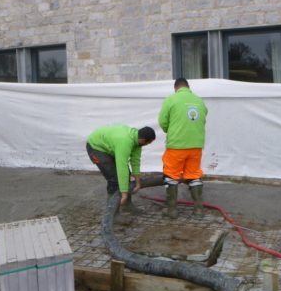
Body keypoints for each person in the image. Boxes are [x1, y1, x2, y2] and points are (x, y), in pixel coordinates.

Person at [158, 78, 208, 218]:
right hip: (196, 145)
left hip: (177, 145)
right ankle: (198, 210)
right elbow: (203, 119)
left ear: (176, 88)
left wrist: (171, 130)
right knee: (194, 175)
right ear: (188, 87)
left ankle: (172, 210)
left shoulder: (171, 99)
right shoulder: (199, 101)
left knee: (171, 176)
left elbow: (162, 121)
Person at [86, 125, 156, 212]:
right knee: (114, 179)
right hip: (95, 147)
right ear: (143, 140)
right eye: (148, 143)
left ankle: (127, 205)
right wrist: (124, 194)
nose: (147, 145)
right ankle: (112, 213)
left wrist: (138, 183)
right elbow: (121, 167)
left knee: (127, 176)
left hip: (110, 145)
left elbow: (135, 163)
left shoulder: (137, 142)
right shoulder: (125, 142)